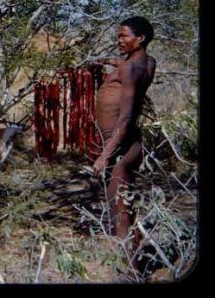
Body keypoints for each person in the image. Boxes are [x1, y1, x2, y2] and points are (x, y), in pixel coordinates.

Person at [92, 16, 156, 278]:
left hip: (121, 144)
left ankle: (131, 273)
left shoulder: (130, 69)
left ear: (139, 39)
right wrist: (107, 61)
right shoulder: (146, 62)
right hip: (125, 142)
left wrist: (104, 156)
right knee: (121, 206)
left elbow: (127, 118)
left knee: (119, 210)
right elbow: (126, 65)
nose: (119, 41)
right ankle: (133, 261)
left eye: (123, 36)